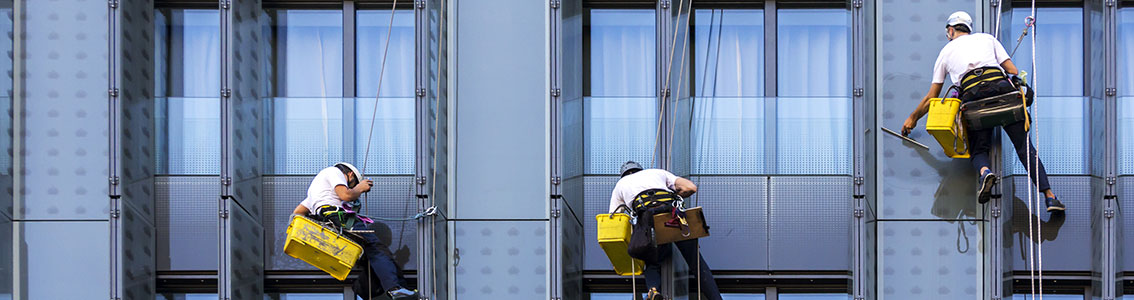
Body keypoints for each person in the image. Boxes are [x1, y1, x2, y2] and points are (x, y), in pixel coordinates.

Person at [901, 11, 1064, 212]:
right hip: (1004, 95)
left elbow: (932, 97)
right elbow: (1012, 71)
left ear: (950, 30)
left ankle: (985, 172)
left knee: (979, 149)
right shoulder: (988, 39)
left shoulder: (945, 52)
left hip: (974, 101)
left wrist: (912, 118)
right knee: (1024, 148)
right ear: (968, 29)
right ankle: (1050, 197)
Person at [291, 162, 417, 299]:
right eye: (351, 184)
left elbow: (297, 213)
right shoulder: (333, 171)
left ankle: (380, 290)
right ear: (350, 174)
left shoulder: (315, 191)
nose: (350, 187)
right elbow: (346, 195)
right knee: (376, 249)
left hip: (330, 220)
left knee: (369, 256)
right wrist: (359, 188)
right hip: (340, 218)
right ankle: (395, 289)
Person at [609, 161, 721, 300]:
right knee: (696, 261)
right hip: (673, 214)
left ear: (623, 175)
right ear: (640, 169)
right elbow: (691, 188)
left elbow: (615, 218)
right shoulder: (657, 172)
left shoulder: (620, 185)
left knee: (651, 259)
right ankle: (716, 298)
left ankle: (653, 290)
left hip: (649, 218)